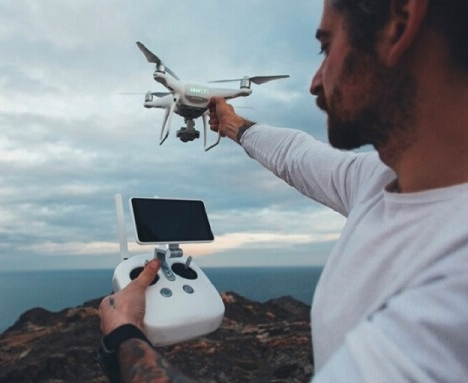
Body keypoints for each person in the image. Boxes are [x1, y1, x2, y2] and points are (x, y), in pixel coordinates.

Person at [98, 0, 468, 381]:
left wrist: (124, 338)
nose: (315, 81)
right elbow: (298, 156)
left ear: (400, 24)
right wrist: (231, 124)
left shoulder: (454, 283)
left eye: (326, 47)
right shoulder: (381, 180)